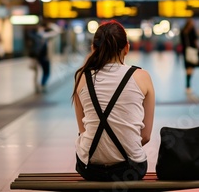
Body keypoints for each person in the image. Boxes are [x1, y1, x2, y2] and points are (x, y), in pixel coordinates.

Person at [72, 20, 155, 182]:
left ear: (93, 48)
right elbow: (145, 137)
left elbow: (83, 131)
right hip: (131, 168)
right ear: (127, 48)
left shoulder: (81, 76)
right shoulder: (142, 76)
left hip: (90, 168)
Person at [34, 21, 61, 93]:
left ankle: (37, 87)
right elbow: (57, 31)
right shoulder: (45, 35)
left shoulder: (37, 35)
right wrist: (51, 24)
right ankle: (43, 85)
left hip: (37, 57)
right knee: (46, 72)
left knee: (37, 73)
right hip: (44, 58)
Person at [180, 18, 199, 93]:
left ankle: (187, 86)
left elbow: (181, 42)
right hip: (192, 51)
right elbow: (196, 41)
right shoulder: (192, 30)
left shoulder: (182, 31)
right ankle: (188, 86)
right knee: (191, 68)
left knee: (187, 68)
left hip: (186, 52)